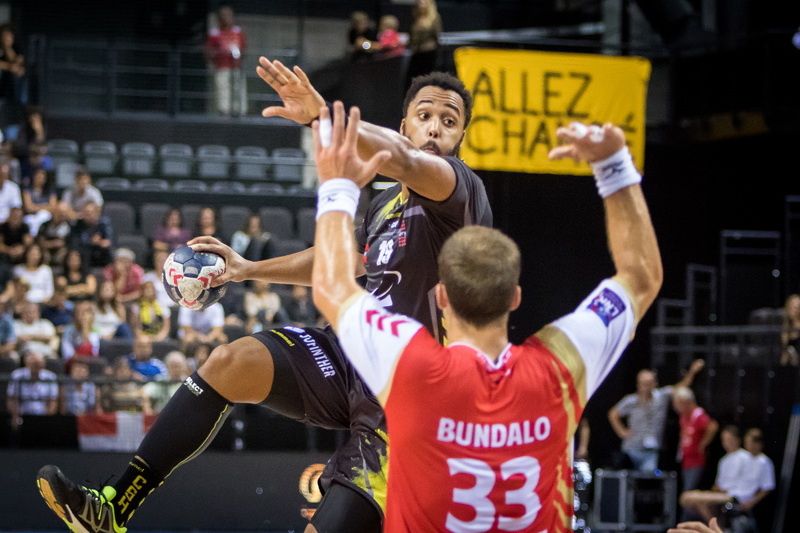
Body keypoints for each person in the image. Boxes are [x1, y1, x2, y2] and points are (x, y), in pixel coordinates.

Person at [37, 65, 491, 533]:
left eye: (449, 120)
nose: (435, 127)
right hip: (352, 355)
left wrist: (323, 119)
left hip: (407, 395)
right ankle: (116, 505)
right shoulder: (383, 205)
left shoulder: (457, 190)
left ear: (460, 139)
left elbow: (405, 160)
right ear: (405, 124)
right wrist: (248, 270)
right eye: (425, 115)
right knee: (230, 361)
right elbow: (338, 258)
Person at [309, 105, 661, 529]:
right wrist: (614, 167)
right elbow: (641, 279)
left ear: (441, 297)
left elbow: (331, 286)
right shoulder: (560, 366)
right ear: (515, 297)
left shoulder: (410, 365)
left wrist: (337, 185)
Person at [607, 359, 705, 472]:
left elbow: (680, 387)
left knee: (648, 479)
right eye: (644, 384)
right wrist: (622, 431)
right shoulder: (631, 400)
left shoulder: (661, 397)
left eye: (649, 383)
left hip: (652, 450)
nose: (646, 387)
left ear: (654, 383)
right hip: (632, 447)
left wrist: (692, 372)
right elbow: (613, 413)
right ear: (638, 384)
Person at [680, 427, 776, 521]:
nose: (749, 446)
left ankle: (718, 529)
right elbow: (725, 483)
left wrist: (750, 502)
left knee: (689, 498)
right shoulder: (729, 459)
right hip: (729, 493)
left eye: (730, 440)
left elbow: (766, 487)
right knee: (694, 502)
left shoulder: (754, 459)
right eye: (725, 440)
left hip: (736, 497)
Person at [673, 386, 718, 494]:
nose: (676, 407)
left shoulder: (698, 415)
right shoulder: (683, 417)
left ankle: (688, 511)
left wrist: (703, 444)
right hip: (686, 460)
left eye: (679, 404)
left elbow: (713, 426)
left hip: (696, 460)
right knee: (685, 489)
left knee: (689, 490)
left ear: (686, 402)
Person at [205, 5, 247, 116]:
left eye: (228, 15)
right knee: (223, 90)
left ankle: (240, 111)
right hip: (222, 67)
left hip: (236, 67)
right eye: (223, 15)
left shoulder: (238, 32)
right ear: (219, 18)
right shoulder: (215, 33)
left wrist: (239, 56)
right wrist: (216, 55)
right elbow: (208, 51)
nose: (226, 18)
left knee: (238, 88)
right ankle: (224, 112)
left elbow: (244, 48)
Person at [7, 349, 58, 428]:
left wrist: (48, 419)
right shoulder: (17, 375)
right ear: (27, 363)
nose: (37, 366)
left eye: (39, 363)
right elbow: (12, 399)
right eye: (34, 364)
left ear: (43, 364)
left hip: (43, 416)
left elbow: (53, 401)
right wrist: (15, 416)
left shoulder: (50, 377)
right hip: (22, 416)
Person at [406, 0, 442, 88]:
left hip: (429, 54)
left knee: (426, 79)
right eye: (419, 2)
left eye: (424, 2)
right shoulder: (415, 17)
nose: (421, 4)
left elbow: (437, 36)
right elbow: (411, 36)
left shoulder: (434, 18)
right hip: (416, 53)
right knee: (412, 80)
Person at [69, 201, 113, 267]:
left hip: (101, 256)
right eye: (86, 213)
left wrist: (100, 242)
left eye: (91, 213)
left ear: (97, 213)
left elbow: (108, 241)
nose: (88, 216)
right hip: (84, 258)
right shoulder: (78, 226)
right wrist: (91, 242)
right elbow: (77, 243)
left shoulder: (103, 224)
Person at [22, 167, 57, 236]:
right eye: (38, 177)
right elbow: (28, 208)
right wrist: (45, 206)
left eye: (42, 177)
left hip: (45, 216)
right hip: (31, 216)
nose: (40, 179)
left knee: (43, 215)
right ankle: (34, 237)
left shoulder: (50, 191)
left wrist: (35, 207)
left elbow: (53, 207)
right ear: (34, 177)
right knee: (30, 220)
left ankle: (38, 238)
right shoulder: (27, 190)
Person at [780, 293, 800, 366]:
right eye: (792, 307)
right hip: (790, 362)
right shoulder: (785, 325)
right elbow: (784, 346)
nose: (795, 310)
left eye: (797, 307)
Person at [0, 161, 22, 225]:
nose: (2, 177)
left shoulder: (14, 187)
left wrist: (7, 221)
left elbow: (16, 208)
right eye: (1, 174)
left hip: (8, 223)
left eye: (4, 175)